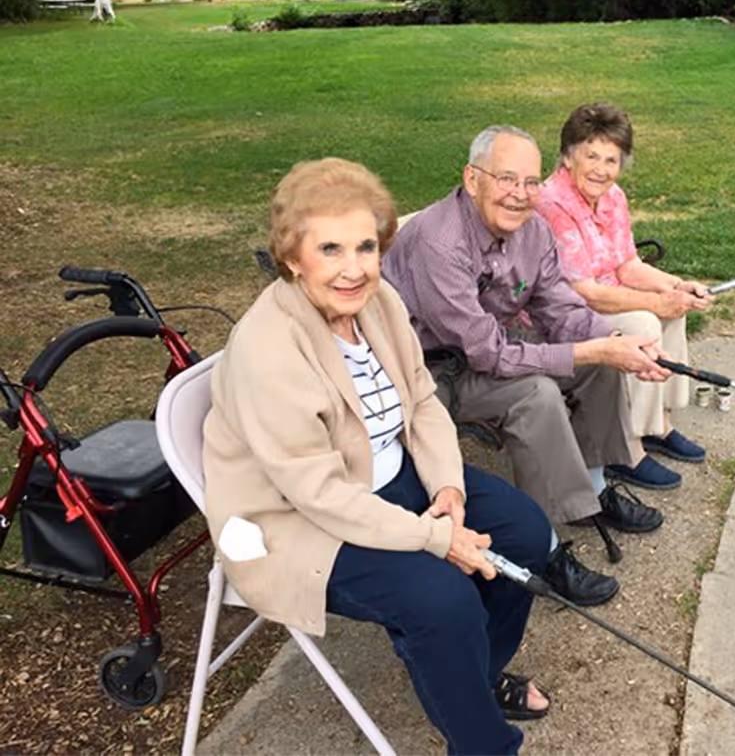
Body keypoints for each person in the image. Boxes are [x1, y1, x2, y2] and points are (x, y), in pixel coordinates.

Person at [202, 158, 551, 756]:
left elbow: (420, 400)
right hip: (300, 521)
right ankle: (483, 743)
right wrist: (437, 538)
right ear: (292, 257)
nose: (353, 268)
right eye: (330, 249)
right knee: (443, 600)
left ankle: (469, 681)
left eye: (366, 246)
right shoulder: (268, 348)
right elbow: (318, 493)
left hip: (392, 476)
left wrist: (448, 490)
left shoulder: (378, 302)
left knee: (525, 533)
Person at [382, 125, 676, 605]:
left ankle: (594, 491)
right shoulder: (440, 243)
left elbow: (560, 309)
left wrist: (618, 343)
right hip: (425, 375)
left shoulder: (533, 229)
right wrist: (596, 349)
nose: (520, 195)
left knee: (601, 364)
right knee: (536, 393)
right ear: (472, 178)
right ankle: (542, 549)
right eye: (505, 179)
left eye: (531, 182)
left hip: (479, 352)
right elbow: (489, 354)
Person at [536, 103, 711, 484]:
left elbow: (627, 266)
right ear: (568, 157)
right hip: (562, 310)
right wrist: (656, 302)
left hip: (603, 295)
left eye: (611, 159)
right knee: (644, 321)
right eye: (591, 156)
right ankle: (625, 447)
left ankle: (657, 425)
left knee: (672, 311)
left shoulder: (613, 197)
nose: (601, 169)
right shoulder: (553, 204)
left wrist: (675, 286)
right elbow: (584, 291)